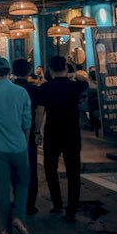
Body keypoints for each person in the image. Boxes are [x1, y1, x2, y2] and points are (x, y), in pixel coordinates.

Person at [0, 57, 32, 234]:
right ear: (10, 72)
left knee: (3, 187)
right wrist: (24, 142)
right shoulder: (21, 92)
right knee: (23, 183)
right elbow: (27, 122)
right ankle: (19, 216)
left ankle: (7, 229)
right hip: (19, 144)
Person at [36, 55, 87, 222]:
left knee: (50, 168)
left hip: (52, 132)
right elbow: (86, 80)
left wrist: (37, 131)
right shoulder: (75, 86)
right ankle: (72, 209)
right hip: (72, 133)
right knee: (73, 171)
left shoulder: (45, 88)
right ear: (66, 68)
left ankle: (57, 204)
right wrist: (73, 74)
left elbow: (40, 111)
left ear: (49, 70)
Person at [11, 58, 40, 215]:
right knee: (31, 168)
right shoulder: (33, 89)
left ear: (14, 71)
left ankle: (18, 200)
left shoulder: (9, 89)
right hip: (29, 132)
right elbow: (40, 110)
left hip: (12, 133)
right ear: (28, 71)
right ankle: (30, 204)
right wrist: (37, 131)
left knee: (15, 168)